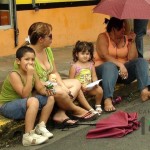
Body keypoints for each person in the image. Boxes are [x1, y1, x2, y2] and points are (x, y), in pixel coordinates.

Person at [24, 22, 98, 128]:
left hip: (50, 83)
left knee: (76, 83)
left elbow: (54, 72)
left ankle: (60, 112)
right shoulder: (28, 54)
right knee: (60, 91)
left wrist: (63, 86)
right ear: (41, 39)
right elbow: (36, 85)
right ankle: (75, 110)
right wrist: (60, 88)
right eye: (50, 36)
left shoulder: (47, 50)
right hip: (37, 88)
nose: (51, 39)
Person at [0, 46, 54, 146]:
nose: (30, 62)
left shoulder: (33, 72)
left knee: (50, 98)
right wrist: (29, 76)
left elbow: (40, 88)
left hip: (24, 103)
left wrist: (48, 91)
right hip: (7, 106)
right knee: (33, 100)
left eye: (33, 59)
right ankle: (28, 136)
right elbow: (24, 95)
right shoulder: (14, 75)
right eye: (27, 59)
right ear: (18, 61)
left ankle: (41, 126)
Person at [94, 17, 150, 112]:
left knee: (141, 61)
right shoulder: (103, 37)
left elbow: (132, 59)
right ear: (113, 29)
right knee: (110, 66)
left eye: (124, 27)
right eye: (121, 28)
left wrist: (132, 42)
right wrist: (120, 64)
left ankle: (144, 91)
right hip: (105, 73)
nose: (124, 30)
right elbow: (104, 55)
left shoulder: (126, 38)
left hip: (122, 74)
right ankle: (107, 99)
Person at [69, 41, 103, 115]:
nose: (85, 56)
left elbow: (94, 76)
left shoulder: (91, 65)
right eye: (82, 53)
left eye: (87, 54)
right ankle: (90, 109)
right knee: (79, 92)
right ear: (76, 54)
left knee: (99, 90)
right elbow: (71, 80)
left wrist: (95, 83)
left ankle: (98, 105)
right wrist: (80, 86)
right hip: (79, 90)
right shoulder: (74, 66)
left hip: (89, 88)